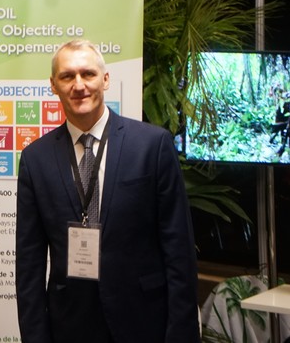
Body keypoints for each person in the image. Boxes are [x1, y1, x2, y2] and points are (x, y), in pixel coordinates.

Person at [15, 39, 199, 343]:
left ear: (105, 79)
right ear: (53, 85)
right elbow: (29, 262)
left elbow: (178, 251)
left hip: (144, 321)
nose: (79, 85)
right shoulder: (36, 159)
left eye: (88, 74)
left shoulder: (152, 146)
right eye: (67, 76)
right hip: (70, 326)